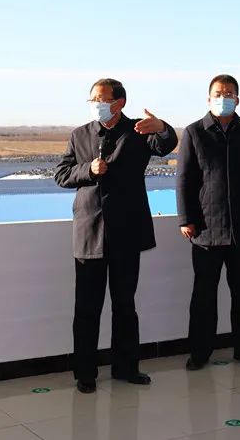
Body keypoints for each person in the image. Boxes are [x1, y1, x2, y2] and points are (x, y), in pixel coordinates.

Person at [55, 78, 178, 394]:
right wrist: (89, 170)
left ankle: (126, 367)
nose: (96, 104)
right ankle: (85, 373)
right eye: (92, 99)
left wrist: (162, 126)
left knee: (124, 304)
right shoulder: (80, 134)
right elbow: (62, 174)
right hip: (89, 232)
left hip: (126, 232)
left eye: (101, 99)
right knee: (87, 308)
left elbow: (166, 145)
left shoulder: (138, 131)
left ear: (119, 102)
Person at [177, 74, 240, 370]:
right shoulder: (194, 132)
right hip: (205, 229)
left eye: (229, 93)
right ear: (209, 99)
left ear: (237, 99)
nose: (223, 98)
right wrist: (186, 219)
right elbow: (184, 179)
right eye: (218, 93)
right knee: (204, 295)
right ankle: (199, 353)